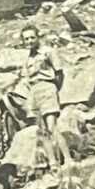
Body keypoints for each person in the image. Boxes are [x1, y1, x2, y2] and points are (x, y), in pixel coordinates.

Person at [18, 24, 69, 169]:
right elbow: (25, 77)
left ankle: (68, 158)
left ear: (38, 37)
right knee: (41, 129)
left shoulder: (48, 51)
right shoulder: (27, 58)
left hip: (47, 87)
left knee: (52, 126)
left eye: (32, 37)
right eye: (26, 39)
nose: (29, 41)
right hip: (34, 92)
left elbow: (59, 73)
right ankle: (53, 162)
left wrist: (54, 89)